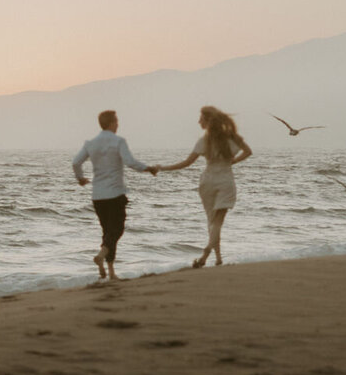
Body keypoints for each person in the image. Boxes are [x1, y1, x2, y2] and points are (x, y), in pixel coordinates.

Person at [157, 106, 252, 268]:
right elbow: (248, 152)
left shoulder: (203, 141)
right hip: (225, 180)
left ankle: (216, 257)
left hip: (207, 181)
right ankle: (209, 253)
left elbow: (186, 163)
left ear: (207, 121)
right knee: (217, 222)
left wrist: (162, 168)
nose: (198, 121)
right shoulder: (233, 137)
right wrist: (232, 161)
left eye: (201, 118)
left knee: (212, 221)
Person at [72, 110, 157, 280]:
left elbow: (76, 162)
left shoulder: (91, 143)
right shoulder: (118, 141)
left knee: (107, 231)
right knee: (117, 230)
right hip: (115, 193)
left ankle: (109, 271)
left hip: (98, 195)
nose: (118, 124)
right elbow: (130, 162)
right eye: (116, 121)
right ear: (111, 123)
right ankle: (103, 255)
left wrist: (80, 178)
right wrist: (148, 168)